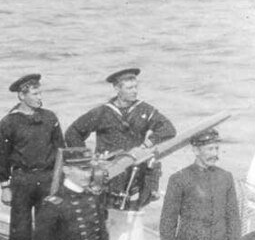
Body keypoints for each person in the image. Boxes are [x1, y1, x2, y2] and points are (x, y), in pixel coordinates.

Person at [64, 68, 176, 210]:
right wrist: (88, 160)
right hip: (109, 172)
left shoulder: (145, 110)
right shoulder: (102, 112)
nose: (135, 91)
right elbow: (72, 133)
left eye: (136, 87)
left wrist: (147, 144)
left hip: (135, 170)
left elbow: (168, 129)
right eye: (129, 88)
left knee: (134, 207)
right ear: (117, 89)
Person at [0, 73, 64, 240]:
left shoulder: (50, 118)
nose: (40, 97)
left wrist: (60, 183)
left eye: (40, 92)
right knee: (20, 231)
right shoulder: (9, 122)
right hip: (22, 180)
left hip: (47, 179)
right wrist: (4, 186)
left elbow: (61, 151)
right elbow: (0, 156)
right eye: (35, 93)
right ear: (21, 96)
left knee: (47, 228)